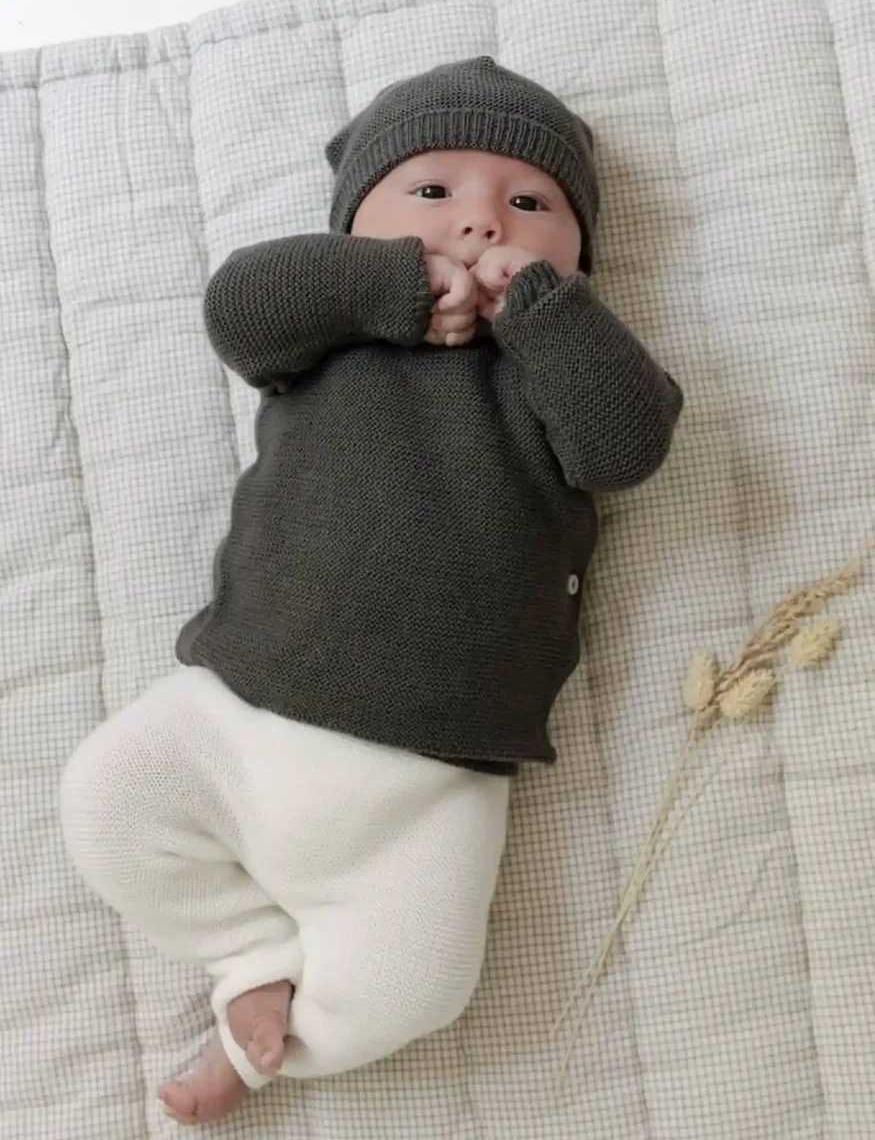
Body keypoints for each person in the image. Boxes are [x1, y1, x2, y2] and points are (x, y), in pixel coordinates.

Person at [60, 56, 683, 1126]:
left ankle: (259, 1050)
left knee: (420, 986)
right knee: (106, 797)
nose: (480, 222)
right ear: (354, 222)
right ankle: (245, 952)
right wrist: (386, 286)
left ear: (582, 254)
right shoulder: (327, 331)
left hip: (435, 774)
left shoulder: (557, 368)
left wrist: (549, 317)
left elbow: (628, 447)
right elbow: (238, 306)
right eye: (432, 191)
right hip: (241, 705)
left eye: (530, 205)